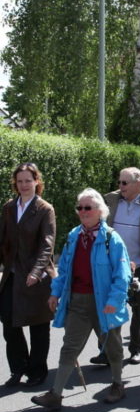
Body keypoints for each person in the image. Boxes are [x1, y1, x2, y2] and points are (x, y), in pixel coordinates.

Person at [31, 189, 131, 410]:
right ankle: (55, 394)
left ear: (100, 211)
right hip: (78, 301)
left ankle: (117, 384)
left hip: (104, 303)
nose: (83, 212)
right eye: (80, 208)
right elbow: (64, 270)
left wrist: (115, 300)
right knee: (69, 347)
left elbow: (122, 274)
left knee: (113, 346)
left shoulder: (111, 239)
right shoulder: (74, 235)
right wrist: (55, 293)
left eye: (88, 208)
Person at [89, 167, 140, 366]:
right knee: (108, 309)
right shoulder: (109, 201)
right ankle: (107, 351)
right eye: (119, 182)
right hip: (111, 266)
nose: (120, 186)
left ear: (139, 183)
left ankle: (136, 349)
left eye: (125, 183)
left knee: (139, 310)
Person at [0, 163, 56, 387]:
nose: (24, 185)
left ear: (36, 182)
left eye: (28, 180)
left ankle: (37, 370)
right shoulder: (8, 207)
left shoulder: (45, 209)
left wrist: (36, 271)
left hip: (37, 276)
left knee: (38, 324)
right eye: (20, 181)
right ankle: (18, 368)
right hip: (13, 274)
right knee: (8, 321)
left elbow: (47, 245)